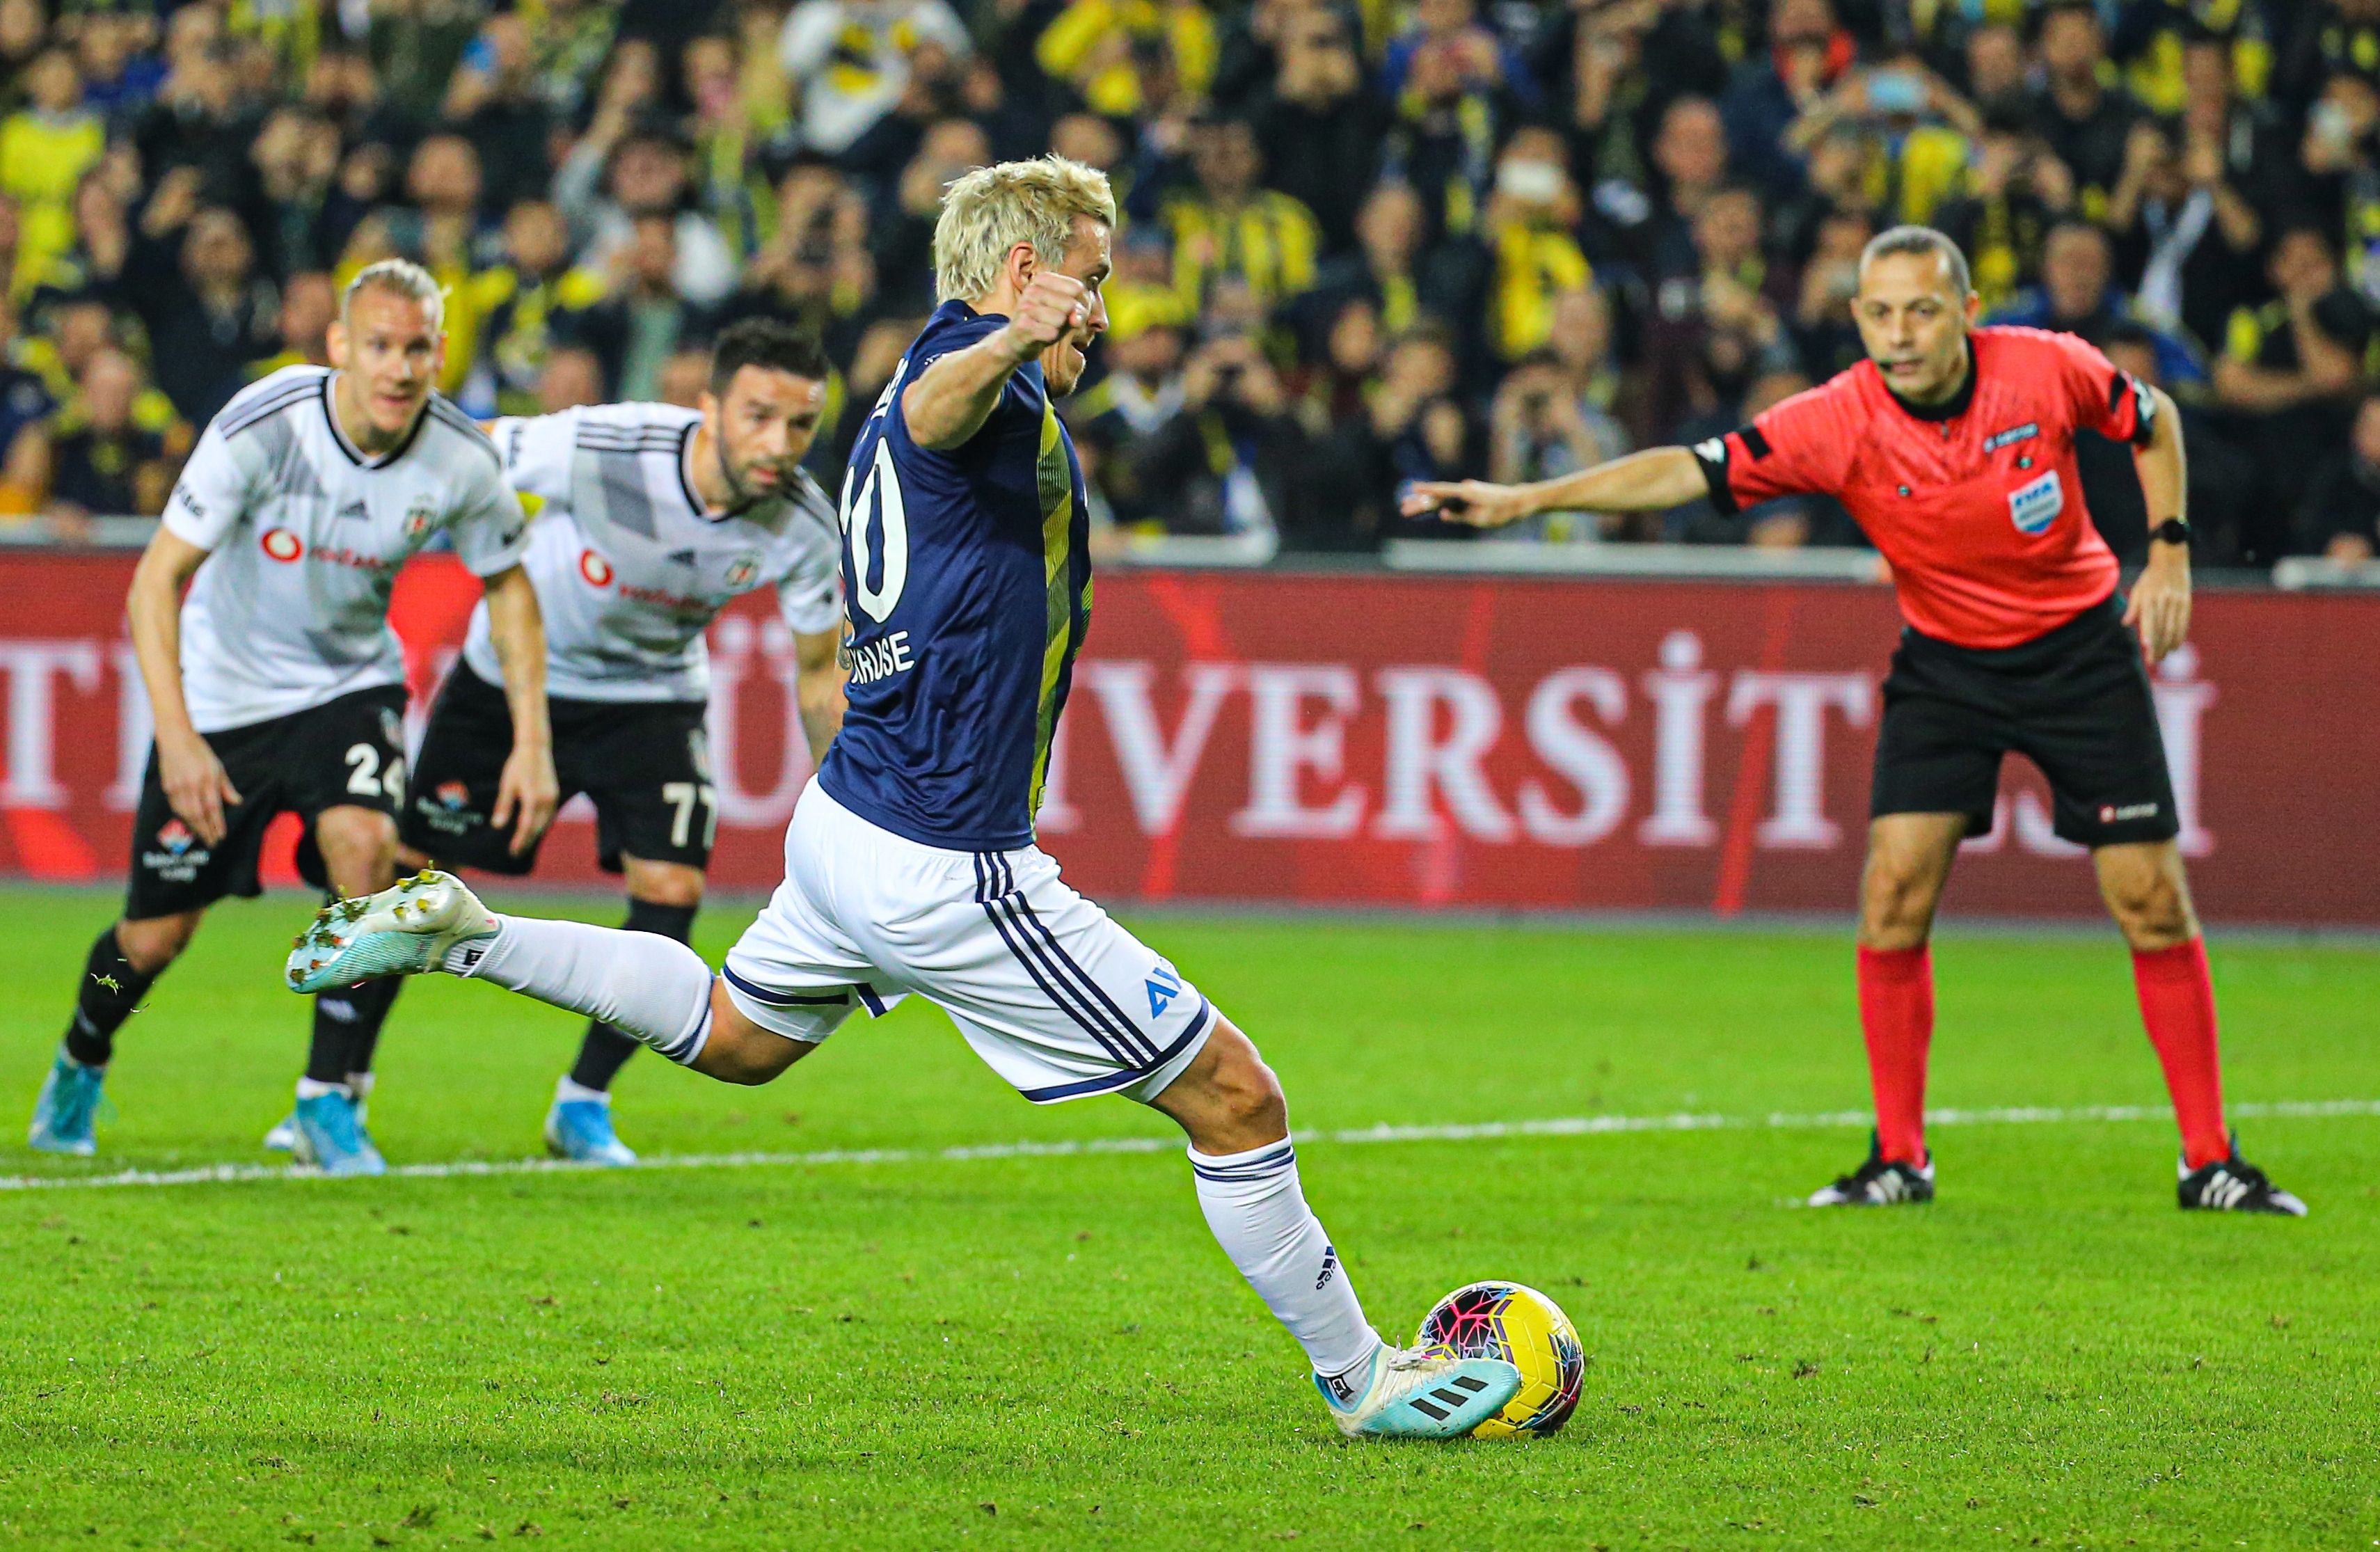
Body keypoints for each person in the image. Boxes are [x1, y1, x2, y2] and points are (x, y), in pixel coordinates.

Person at [285, 155, 1523, 1439]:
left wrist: (1011, 345)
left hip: (849, 825)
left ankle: (472, 937)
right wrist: (1013, 342)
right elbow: (944, 411)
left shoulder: (921, 377)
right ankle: (1364, 1378)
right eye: (1089, 282)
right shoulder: (967, 382)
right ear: (1022, 275)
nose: (1104, 311)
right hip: (945, 861)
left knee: (740, 1037)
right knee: (1235, 1096)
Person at [1404, 225, 2305, 1217]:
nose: (1900, 333)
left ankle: (2210, 1158)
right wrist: (1527, 498)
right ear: (1856, 318)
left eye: (1922, 309)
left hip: (2079, 653)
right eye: (1878, 312)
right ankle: (1898, 1158)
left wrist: (2168, 548)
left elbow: (2155, 416)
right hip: (1946, 665)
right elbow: (1686, 470)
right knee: (1892, 895)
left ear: (1967, 311)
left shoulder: (2045, 369)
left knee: (2151, 900)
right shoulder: (1838, 418)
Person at [26, 260, 557, 1172]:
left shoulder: (460, 458)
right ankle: (82, 1053)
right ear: (340, 347)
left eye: (419, 348)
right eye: (381, 346)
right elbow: (157, 578)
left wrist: (533, 743)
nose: (399, 368)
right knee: (153, 937)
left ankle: (327, 1097)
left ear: (439, 354)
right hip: (224, 696)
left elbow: (508, 584)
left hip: (347, 686)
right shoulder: (264, 425)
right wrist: (182, 734)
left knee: (367, 848)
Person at [387, 320, 847, 1166]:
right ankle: (328, 1092)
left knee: (670, 889)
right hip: (515, 677)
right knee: (404, 875)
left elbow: (820, 675)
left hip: (653, 697)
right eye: (758, 415)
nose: (779, 443)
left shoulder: (806, 526)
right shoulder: (606, 444)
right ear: (707, 408)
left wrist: (857, 805)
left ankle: (584, 1100)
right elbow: (468, 450)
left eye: (801, 424)